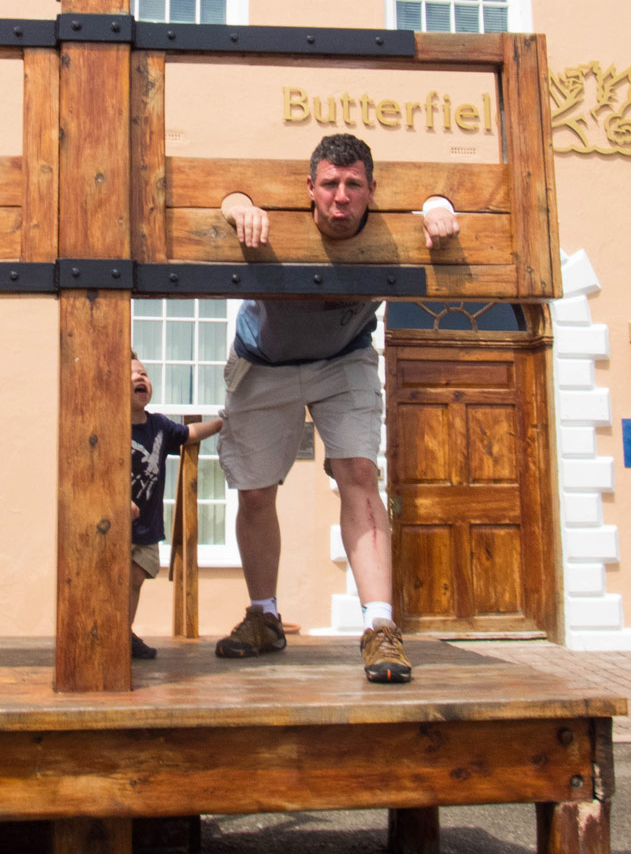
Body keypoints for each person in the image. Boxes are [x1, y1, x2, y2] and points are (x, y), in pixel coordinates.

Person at [216, 133, 459, 683]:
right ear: (309, 189)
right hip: (263, 360)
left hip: (343, 358)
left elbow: (443, 200)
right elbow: (226, 199)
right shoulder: (274, 214)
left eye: (354, 185)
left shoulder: (388, 219)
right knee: (255, 491)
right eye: (330, 184)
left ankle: (379, 627)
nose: (341, 197)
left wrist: (440, 205)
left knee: (359, 472)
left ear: (373, 190)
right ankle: (265, 615)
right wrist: (239, 205)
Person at [129, 353, 223, 659]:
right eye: (131, 375)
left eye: (144, 373)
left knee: (136, 579)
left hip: (146, 526)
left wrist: (222, 423)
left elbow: (189, 434)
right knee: (113, 580)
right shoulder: (109, 426)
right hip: (112, 524)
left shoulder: (158, 426)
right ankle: (111, 633)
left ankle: (122, 633)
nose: (140, 378)